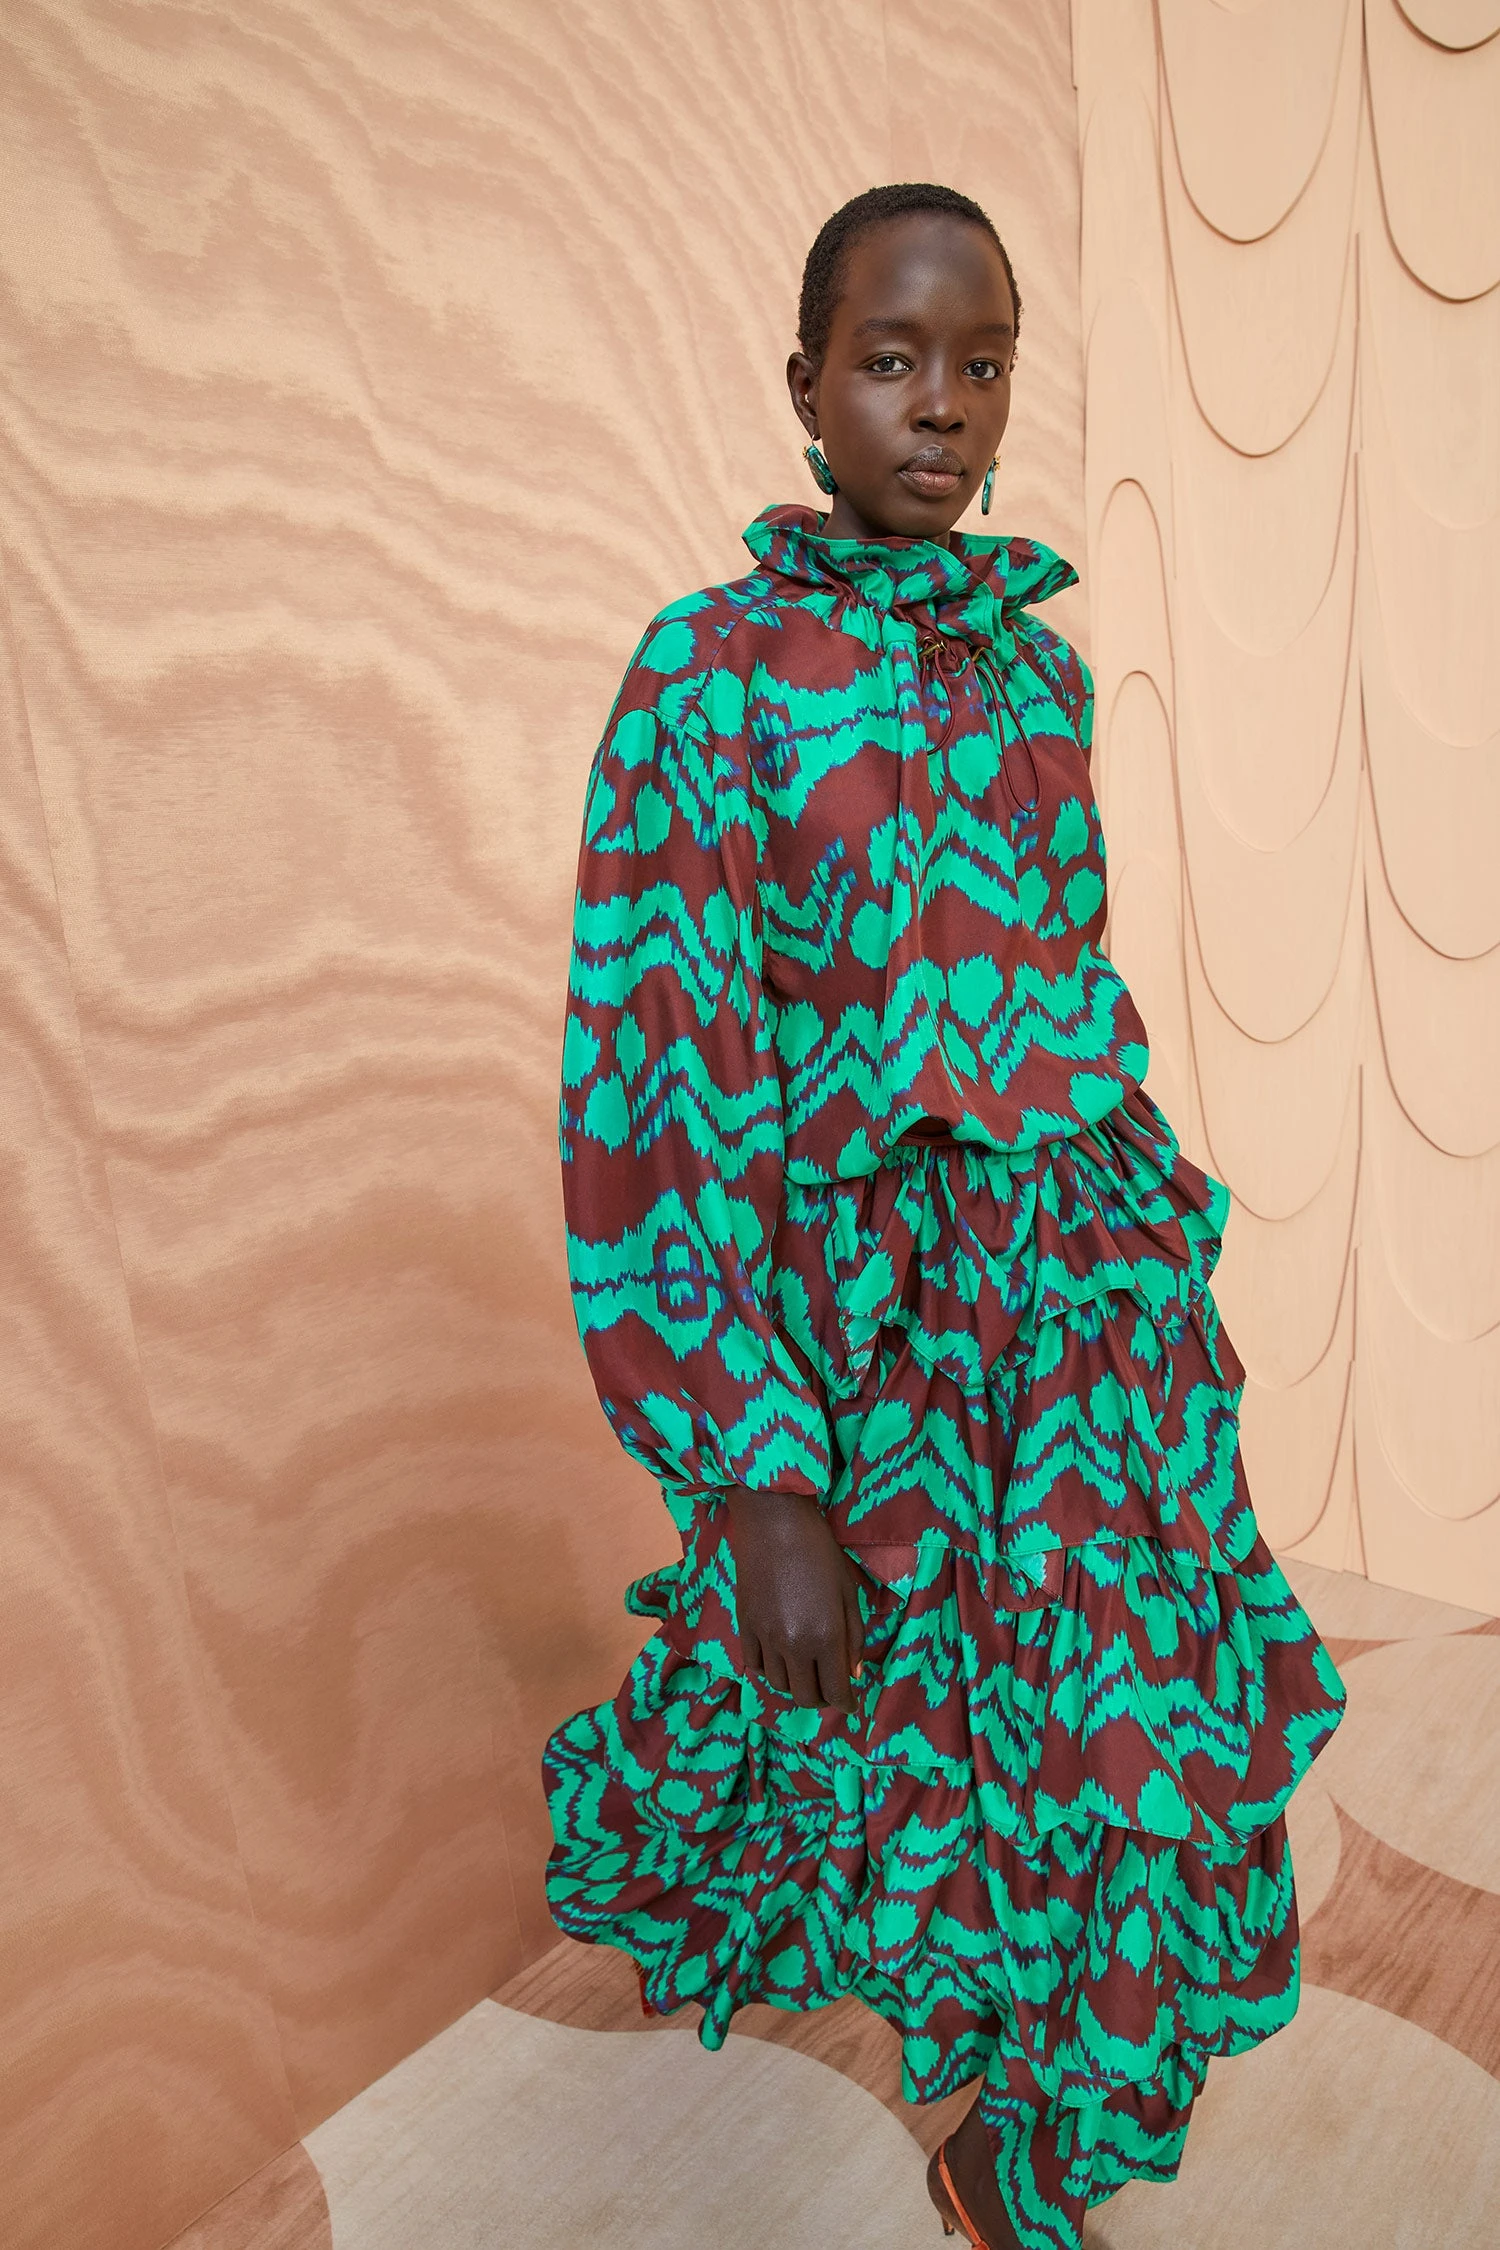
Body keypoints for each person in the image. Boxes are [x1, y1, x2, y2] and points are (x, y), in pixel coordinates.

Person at [542, 181, 1345, 2250]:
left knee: (1138, 1754)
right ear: (802, 384)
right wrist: (758, 1478)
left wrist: (1151, 1292)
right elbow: (658, 1079)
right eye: (891, 359)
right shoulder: (709, 678)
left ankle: (1036, 2150)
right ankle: (1000, 2103)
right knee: (915, 1761)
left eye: (982, 363)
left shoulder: (1041, 681)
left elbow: (1067, 995)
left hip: (1083, 1331)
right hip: (870, 1358)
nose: (943, 405)